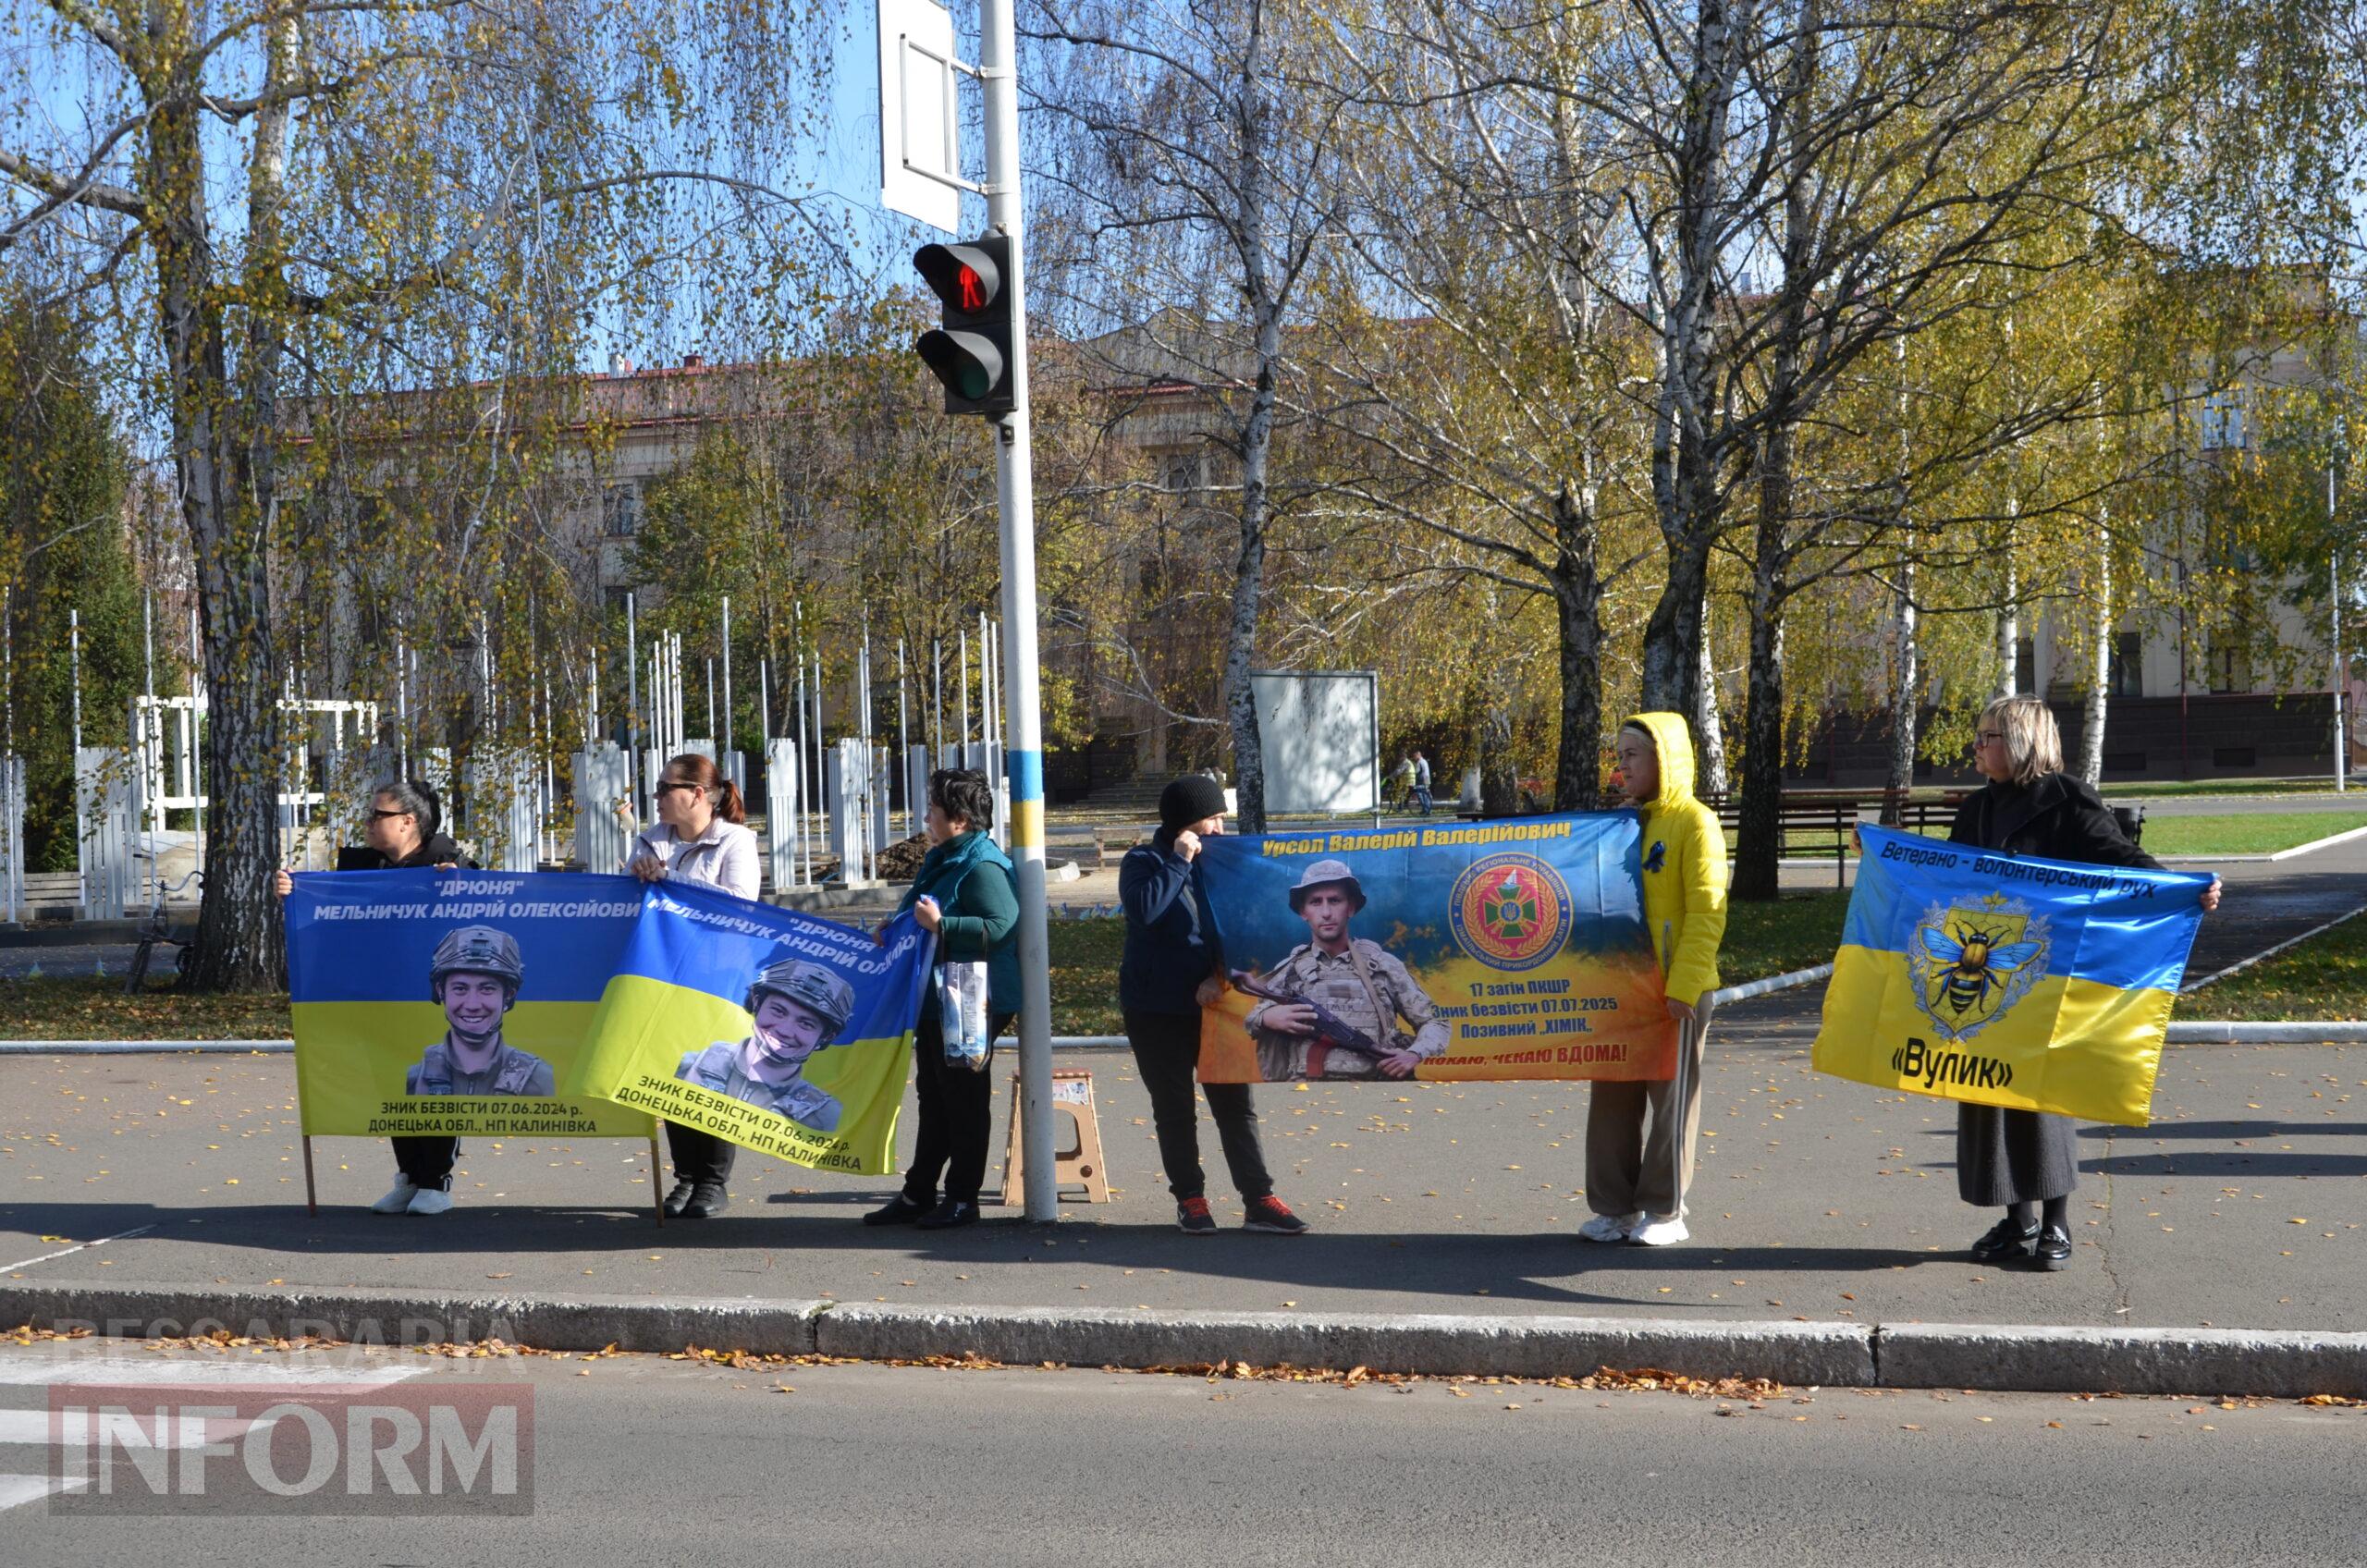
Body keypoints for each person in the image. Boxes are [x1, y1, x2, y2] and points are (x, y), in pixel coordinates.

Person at [1948, 695, 2221, 1270]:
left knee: (2044, 1098)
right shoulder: (1976, 808)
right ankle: (2018, 1221)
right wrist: (1883, 856)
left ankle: (2056, 1223)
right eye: (1978, 736)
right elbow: (1945, 876)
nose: (1977, 746)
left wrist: (2182, 888)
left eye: (1987, 736)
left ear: (2020, 741)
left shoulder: (2067, 798)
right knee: (1992, 1093)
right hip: (1991, 974)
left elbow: (2119, 857)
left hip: (2054, 976)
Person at [272, 778, 474, 1216]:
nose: (367, 822)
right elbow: (326, 916)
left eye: (377, 815)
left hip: (427, 1000)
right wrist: (292, 893)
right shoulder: (361, 867)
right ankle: (409, 1177)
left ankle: (436, 1181)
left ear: (407, 822)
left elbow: (487, 905)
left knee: (433, 1085)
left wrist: (464, 885)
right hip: (375, 996)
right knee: (391, 1084)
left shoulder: (448, 864)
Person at [1119, 774, 1305, 1236]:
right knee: (1175, 1109)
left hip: (1216, 1006)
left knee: (1235, 1106)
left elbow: (1246, 929)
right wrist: (1179, 861)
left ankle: (1259, 1200)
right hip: (1155, 1010)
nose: (1220, 828)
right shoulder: (1143, 861)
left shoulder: (1222, 863)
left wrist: (1218, 977)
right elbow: (1145, 911)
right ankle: (1191, 1199)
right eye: (1213, 818)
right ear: (1186, 822)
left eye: (1223, 818)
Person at [1582, 713, 1728, 1248]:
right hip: (1623, 986)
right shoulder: (1624, 824)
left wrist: (1684, 985)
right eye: (1618, 756)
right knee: (1611, 1102)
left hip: (1674, 990)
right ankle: (1614, 1209)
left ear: (1663, 759)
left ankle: (1666, 1211)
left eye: (1632, 755)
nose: (1621, 767)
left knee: (1672, 1104)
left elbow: (1707, 912)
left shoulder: (1695, 822)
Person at [864, 768, 1018, 1231]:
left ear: (961, 819)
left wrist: (942, 925)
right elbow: (918, 904)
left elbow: (1001, 926)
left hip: (971, 999)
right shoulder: (946, 856)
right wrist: (893, 924)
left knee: (962, 1101)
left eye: (933, 810)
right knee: (934, 1098)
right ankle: (918, 1194)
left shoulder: (982, 866)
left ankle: (963, 1199)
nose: (927, 818)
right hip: (940, 995)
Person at [631, 752, 762, 1219]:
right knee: (673, 1076)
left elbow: (742, 903)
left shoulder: (735, 840)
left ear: (698, 794)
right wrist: (637, 881)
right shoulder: (649, 840)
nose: (657, 797)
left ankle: (712, 1182)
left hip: (716, 977)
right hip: (663, 975)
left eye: (666, 789)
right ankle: (685, 1178)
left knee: (712, 1077)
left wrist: (671, 880)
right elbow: (628, 904)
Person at [1241, 858, 1449, 1081]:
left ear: (1350, 907)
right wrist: (1267, 1017)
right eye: (1315, 902)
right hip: (1305, 1091)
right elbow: (1252, 1021)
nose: (1326, 912)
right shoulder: (1291, 970)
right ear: (1303, 911)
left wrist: (1414, 1054)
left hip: (1376, 1088)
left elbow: (1436, 1022)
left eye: (1335, 900)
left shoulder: (1382, 966)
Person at [678, 956, 852, 1132]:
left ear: (825, 1037)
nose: (785, 1030)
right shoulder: (689, 1065)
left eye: (806, 1024)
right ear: (757, 1003)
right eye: (778, 1011)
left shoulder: (826, 1116)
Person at [406, 925, 556, 1097]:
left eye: (487, 989)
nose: (472, 1005)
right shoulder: (414, 1079)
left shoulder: (540, 1081)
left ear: (508, 995)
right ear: (441, 992)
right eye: (460, 989)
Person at [1411, 750, 1433, 816]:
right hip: (1427, 779)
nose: (1414, 757)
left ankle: (1426, 810)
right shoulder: (1424, 761)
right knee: (1425, 795)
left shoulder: (1419, 762)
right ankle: (1426, 810)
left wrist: (1414, 778)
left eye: (1415, 756)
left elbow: (1417, 772)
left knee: (1422, 795)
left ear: (1418, 755)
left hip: (1422, 780)